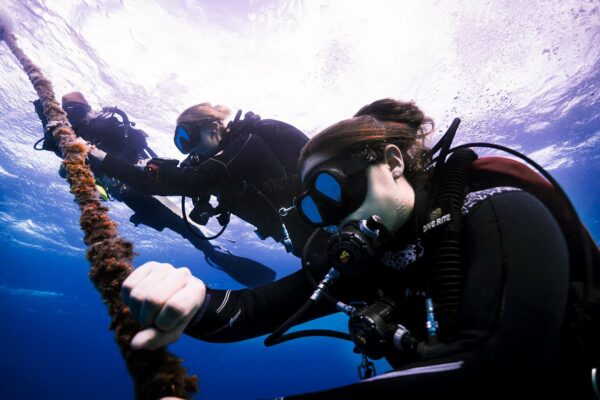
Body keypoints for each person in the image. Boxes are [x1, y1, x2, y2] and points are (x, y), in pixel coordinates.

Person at [117, 99, 600, 399]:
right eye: (314, 210)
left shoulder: (498, 211)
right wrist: (193, 304)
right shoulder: (365, 257)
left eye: (333, 190)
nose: (333, 219)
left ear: (392, 162)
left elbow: (496, 375)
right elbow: (261, 308)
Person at [34, 92, 276, 288]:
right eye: (69, 112)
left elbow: (180, 176)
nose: (190, 151)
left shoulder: (106, 124)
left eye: (187, 139)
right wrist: (45, 115)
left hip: (140, 180)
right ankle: (213, 252)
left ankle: (213, 252)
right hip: (127, 191)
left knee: (181, 224)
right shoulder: (63, 133)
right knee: (172, 222)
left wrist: (98, 154)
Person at [89, 102, 320, 258]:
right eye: (179, 142)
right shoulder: (213, 163)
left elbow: (191, 181)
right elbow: (160, 183)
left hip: (324, 223)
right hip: (303, 243)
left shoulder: (250, 143)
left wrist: (102, 157)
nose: (187, 150)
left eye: (186, 138)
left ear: (212, 127)